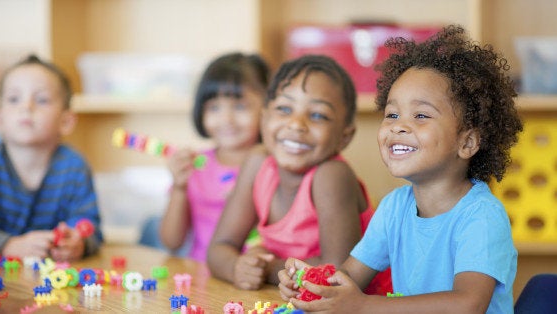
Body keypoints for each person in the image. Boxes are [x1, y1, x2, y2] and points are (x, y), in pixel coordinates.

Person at [278, 25, 522, 313]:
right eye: (392, 114)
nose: (398, 125)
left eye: (421, 115)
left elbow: (467, 304)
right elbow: (349, 279)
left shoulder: (481, 216)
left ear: (467, 142)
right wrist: (312, 283)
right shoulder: (394, 208)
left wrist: (363, 306)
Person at [207, 54, 392, 294]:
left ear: (344, 136)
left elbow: (337, 273)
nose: (296, 124)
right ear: (264, 120)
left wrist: (267, 268)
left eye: (317, 115)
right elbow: (219, 248)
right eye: (284, 109)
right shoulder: (257, 163)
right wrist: (236, 267)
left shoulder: (332, 175)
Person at [0, 55, 104, 262]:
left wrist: (79, 242)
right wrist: (10, 246)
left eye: (41, 100)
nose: (26, 107)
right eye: (14, 99)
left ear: (66, 121)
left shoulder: (75, 168)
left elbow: (91, 228)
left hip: (55, 284)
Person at [147, 52, 271, 262]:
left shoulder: (272, 166)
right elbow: (171, 242)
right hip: (202, 279)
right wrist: (179, 187)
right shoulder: (196, 165)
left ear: (267, 109)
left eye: (240, 106)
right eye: (214, 107)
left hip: (251, 277)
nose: (226, 119)